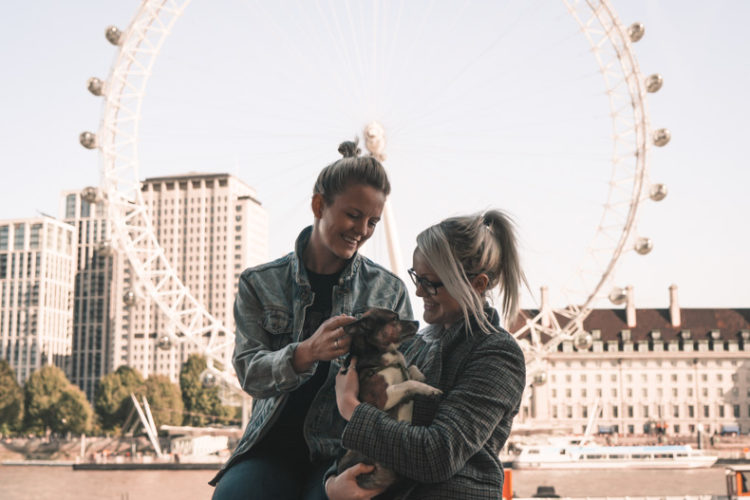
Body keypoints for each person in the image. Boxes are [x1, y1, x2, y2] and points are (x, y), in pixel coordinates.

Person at [210, 139, 413, 500]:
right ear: (319, 205)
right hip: (270, 450)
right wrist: (304, 353)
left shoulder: (388, 291)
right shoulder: (259, 283)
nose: (362, 230)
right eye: (353, 215)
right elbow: (249, 374)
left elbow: (401, 380)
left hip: (345, 450)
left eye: (372, 222)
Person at [327, 210, 527, 500]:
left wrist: (350, 407)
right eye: (416, 277)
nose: (419, 291)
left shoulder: (497, 354)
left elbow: (438, 455)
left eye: (431, 282)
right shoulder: (411, 345)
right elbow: (351, 438)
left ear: (477, 284)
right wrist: (331, 483)